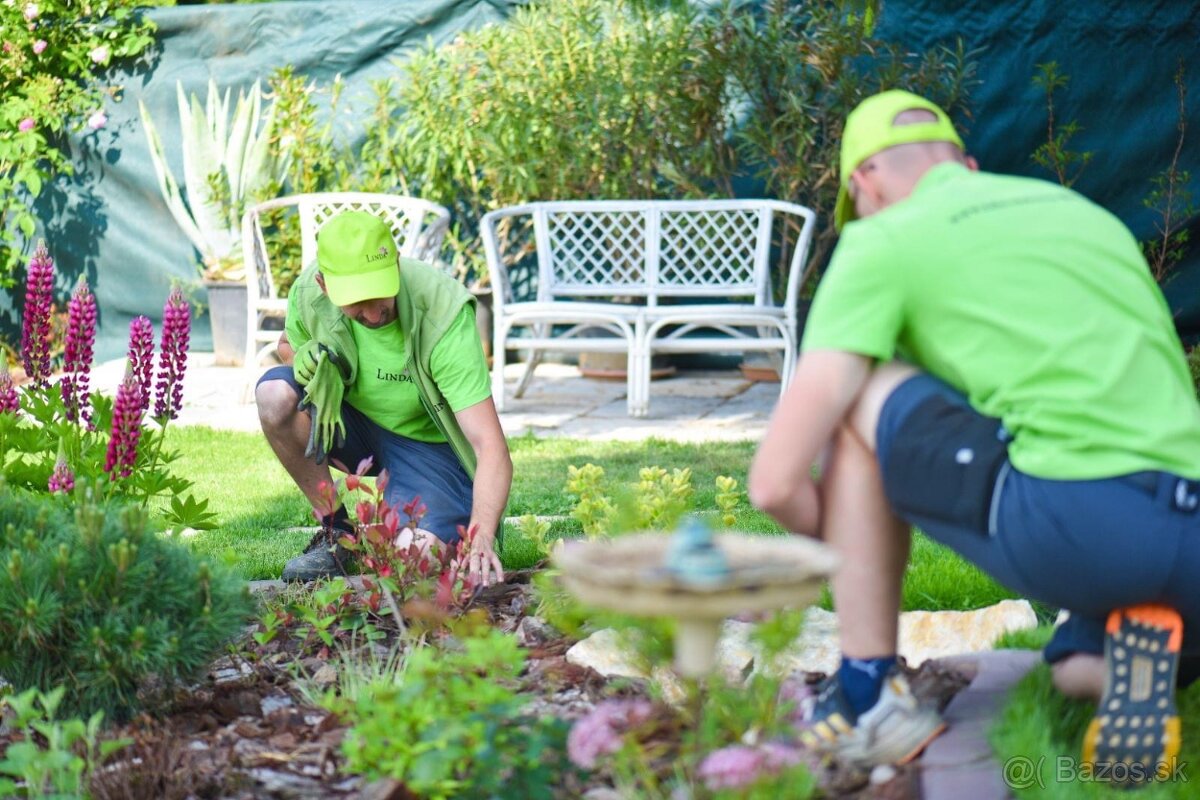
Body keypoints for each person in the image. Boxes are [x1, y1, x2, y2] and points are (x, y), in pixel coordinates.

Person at [749, 89, 1200, 777]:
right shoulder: (1083, 215)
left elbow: (774, 482)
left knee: (857, 391)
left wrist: (846, 538)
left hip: (1084, 526)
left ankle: (869, 693)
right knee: (1073, 662)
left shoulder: (882, 240)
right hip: (1187, 533)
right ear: (966, 163)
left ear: (862, 183)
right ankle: (1120, 676)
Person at [256, 210, 511, 587]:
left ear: (395, 263)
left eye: (381, 293)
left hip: (428, 446)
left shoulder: (441, 311)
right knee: (274, 395)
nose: (374, 313)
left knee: (413, 560)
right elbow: (287, 346)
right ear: (326, 286)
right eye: (358, 302)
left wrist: (482, 536)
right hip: (351, 424)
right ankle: (336, 533)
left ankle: (416, 520)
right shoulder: (309, 292)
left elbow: (490, 446)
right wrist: (303, 357)